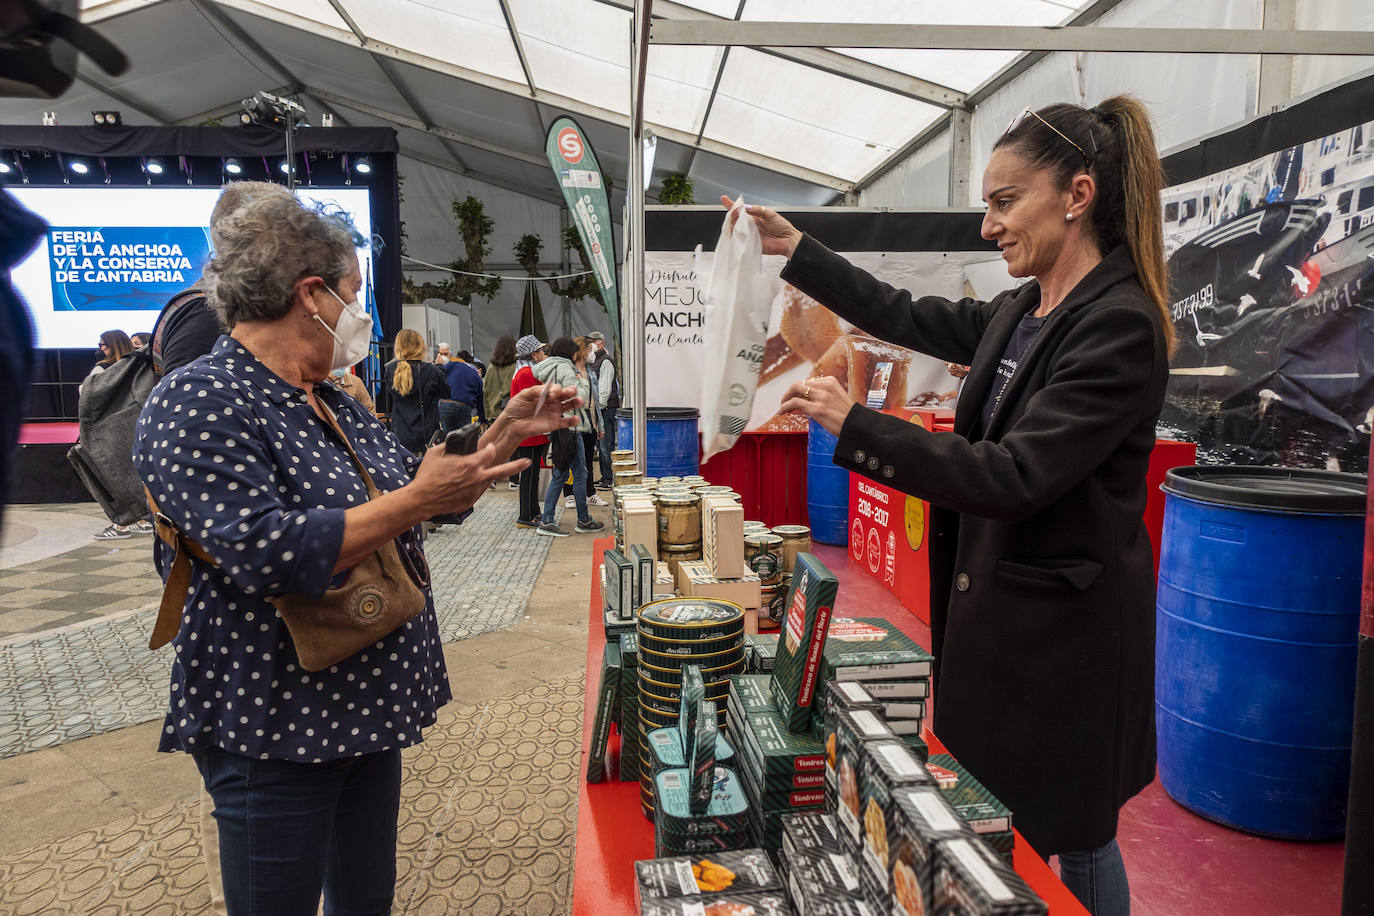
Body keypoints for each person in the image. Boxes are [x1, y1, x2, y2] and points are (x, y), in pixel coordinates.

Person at [731, 96, 1172, 916]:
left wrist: (855, 424)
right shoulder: (1025, 308)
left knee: (1067, 848)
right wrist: (802, 253)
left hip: (1063, 663)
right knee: (1014, 842)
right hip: (1003, 644)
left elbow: (1013, 476)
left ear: (1077, 195)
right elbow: (907, 314)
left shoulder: (1119, 327)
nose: (988, 226)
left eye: (1006, 202)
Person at [132, 192, 579, 916]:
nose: (358, 313)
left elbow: (414, 496)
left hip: (362, 715)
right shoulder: (202, 399)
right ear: (309, 295)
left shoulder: (329, 399)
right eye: (351, 293)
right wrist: (415, 500)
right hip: (273, 728)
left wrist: (502, 435)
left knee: (365, 900)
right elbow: (264, 551)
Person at [81, 329, 153, 539]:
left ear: (112, 345)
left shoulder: (102, 370)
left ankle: (121, 524)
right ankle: (142, 519)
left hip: (108, 430)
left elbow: (86, 396)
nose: (100, 348)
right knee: (136, 473)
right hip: (135, 426)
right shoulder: (139, 368)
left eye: (103, 344)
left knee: (112, 475)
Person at [534, 337, 605, 537]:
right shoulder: (565, 369)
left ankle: (554, 519)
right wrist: (582, 383)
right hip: (570, 428)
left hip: (559, 426)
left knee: (565, 473)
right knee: (574, 474)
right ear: (570, 353)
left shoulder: (550, 368)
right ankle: (577, 519)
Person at [383, 329, 447, 455]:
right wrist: (439, 367)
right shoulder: (430, 371)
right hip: (426, 435)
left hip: (400, 434)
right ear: (420, 346)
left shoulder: (390, 370)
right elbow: (446, 392)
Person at [510, 335, 550, 527]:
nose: (544, 354)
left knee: (533, 475)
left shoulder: (525, 372)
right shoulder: (527, 374)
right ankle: (525, 516)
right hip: (530, 433)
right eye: (541, 351)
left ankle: (533, 511)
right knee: (529, 476)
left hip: (531, 432)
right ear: (534, 355)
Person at [562, 336, 607, 509]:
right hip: (574, 419)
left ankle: (590, 493)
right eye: (589, 350)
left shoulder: (591, 370)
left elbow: (595, 400)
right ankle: (569, 494)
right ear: (582, 351)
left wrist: (600, 425)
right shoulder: (569, 371)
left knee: (588, 459)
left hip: (591, 418)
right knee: (571, 458)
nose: (592, 354)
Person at [483, 335, 520, 488]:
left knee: (495, 447)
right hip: (510, 413)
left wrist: (486, 416)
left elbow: (485, 393)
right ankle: (514, 480)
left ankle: (491, 476)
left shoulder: (491, 369)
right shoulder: (516, 367)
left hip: (494, 413)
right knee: (513, 446)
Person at [587, 330, 618, 489]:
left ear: (601, 343)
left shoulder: (605, 361)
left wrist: (599, 409)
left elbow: (604, 389)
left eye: (594, 341)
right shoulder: (595, 361)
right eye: (589, 341)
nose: (591, 344)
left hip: (605, 409)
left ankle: (609, 479)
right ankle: (605, 477)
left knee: (606, 447)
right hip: (601, 410)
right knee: (601, 446)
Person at [440, 348, 486, 434]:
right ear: (479, 371)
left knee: (448, 437)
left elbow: (439, 373)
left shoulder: (453, 365)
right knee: (463, 438)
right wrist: (482, 422)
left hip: (444, 403)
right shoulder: (476, 376)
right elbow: (480, 405)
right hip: (463, 405)